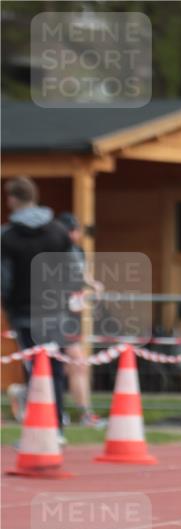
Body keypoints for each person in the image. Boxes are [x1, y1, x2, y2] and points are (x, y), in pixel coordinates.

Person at [1, 177, 71, 438]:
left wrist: (8, 306)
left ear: (12, 199)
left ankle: (39, 428)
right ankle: (57, 428)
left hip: (24, 312)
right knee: (54, 369)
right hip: (55, 311)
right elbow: (73, 270)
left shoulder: (7, 236)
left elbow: (4, 279)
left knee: (33, 369)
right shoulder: (59, 232)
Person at [55, 212, 106, 427]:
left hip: (73, 314)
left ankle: (80, 413)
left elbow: (81, 274)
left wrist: (92, 284)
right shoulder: (53, 251)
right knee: (74, 362)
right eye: (73, 231)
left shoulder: (78, 251)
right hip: (54, 313)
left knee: (72, 365)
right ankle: (78, 414)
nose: (76, 235)